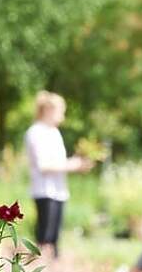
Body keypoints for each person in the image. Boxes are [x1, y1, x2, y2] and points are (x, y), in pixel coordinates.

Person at [24, 91, 93, 258]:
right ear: (48, 110)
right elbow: (44, 165)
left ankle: (52, 271)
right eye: (61, 110)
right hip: (44, 191)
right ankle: (41, 271)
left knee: (54, 240)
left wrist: (77, 164)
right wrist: (73, 165)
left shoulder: (54, 132)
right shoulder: (36, 132)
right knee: (44, 238)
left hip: (58, 190)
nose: (63, 115)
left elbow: (59, 162)